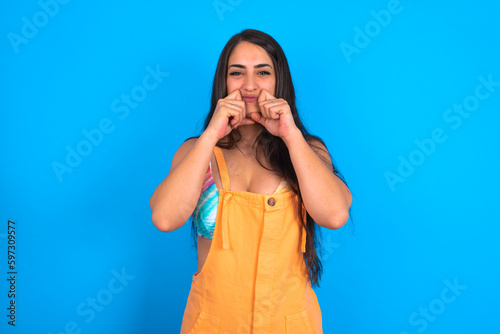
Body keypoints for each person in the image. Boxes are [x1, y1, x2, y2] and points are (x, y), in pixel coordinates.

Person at [149, 28, 352, 333]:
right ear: (223, 82)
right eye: (237, 73)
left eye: (263, 72)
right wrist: (211, 136)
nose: (249, 85)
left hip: (290, 324)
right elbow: (164, 218)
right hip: (212, 323)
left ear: (278, 81)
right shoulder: (197, 151)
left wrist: (290, 134)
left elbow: (335, 215)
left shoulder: (307, 150)